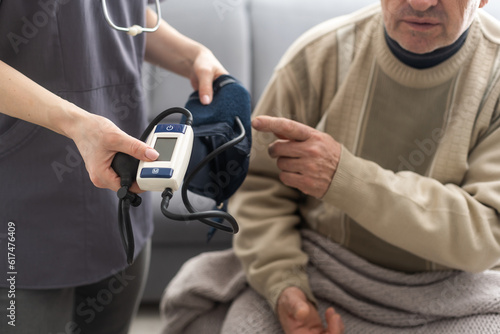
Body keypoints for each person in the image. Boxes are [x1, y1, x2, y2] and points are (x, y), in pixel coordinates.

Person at [228, 0, 500, 333]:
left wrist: (344, 178)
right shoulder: (318, 55)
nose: (420, 3)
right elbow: (259, 189)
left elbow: (487, 236)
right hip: (321, 269)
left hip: (453, 290)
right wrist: (286, 287)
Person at [0, 1, 226, 333]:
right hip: (24, 209)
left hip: (122, 193)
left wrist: (193, 55)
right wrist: (75, 122)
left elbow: (127, 15)